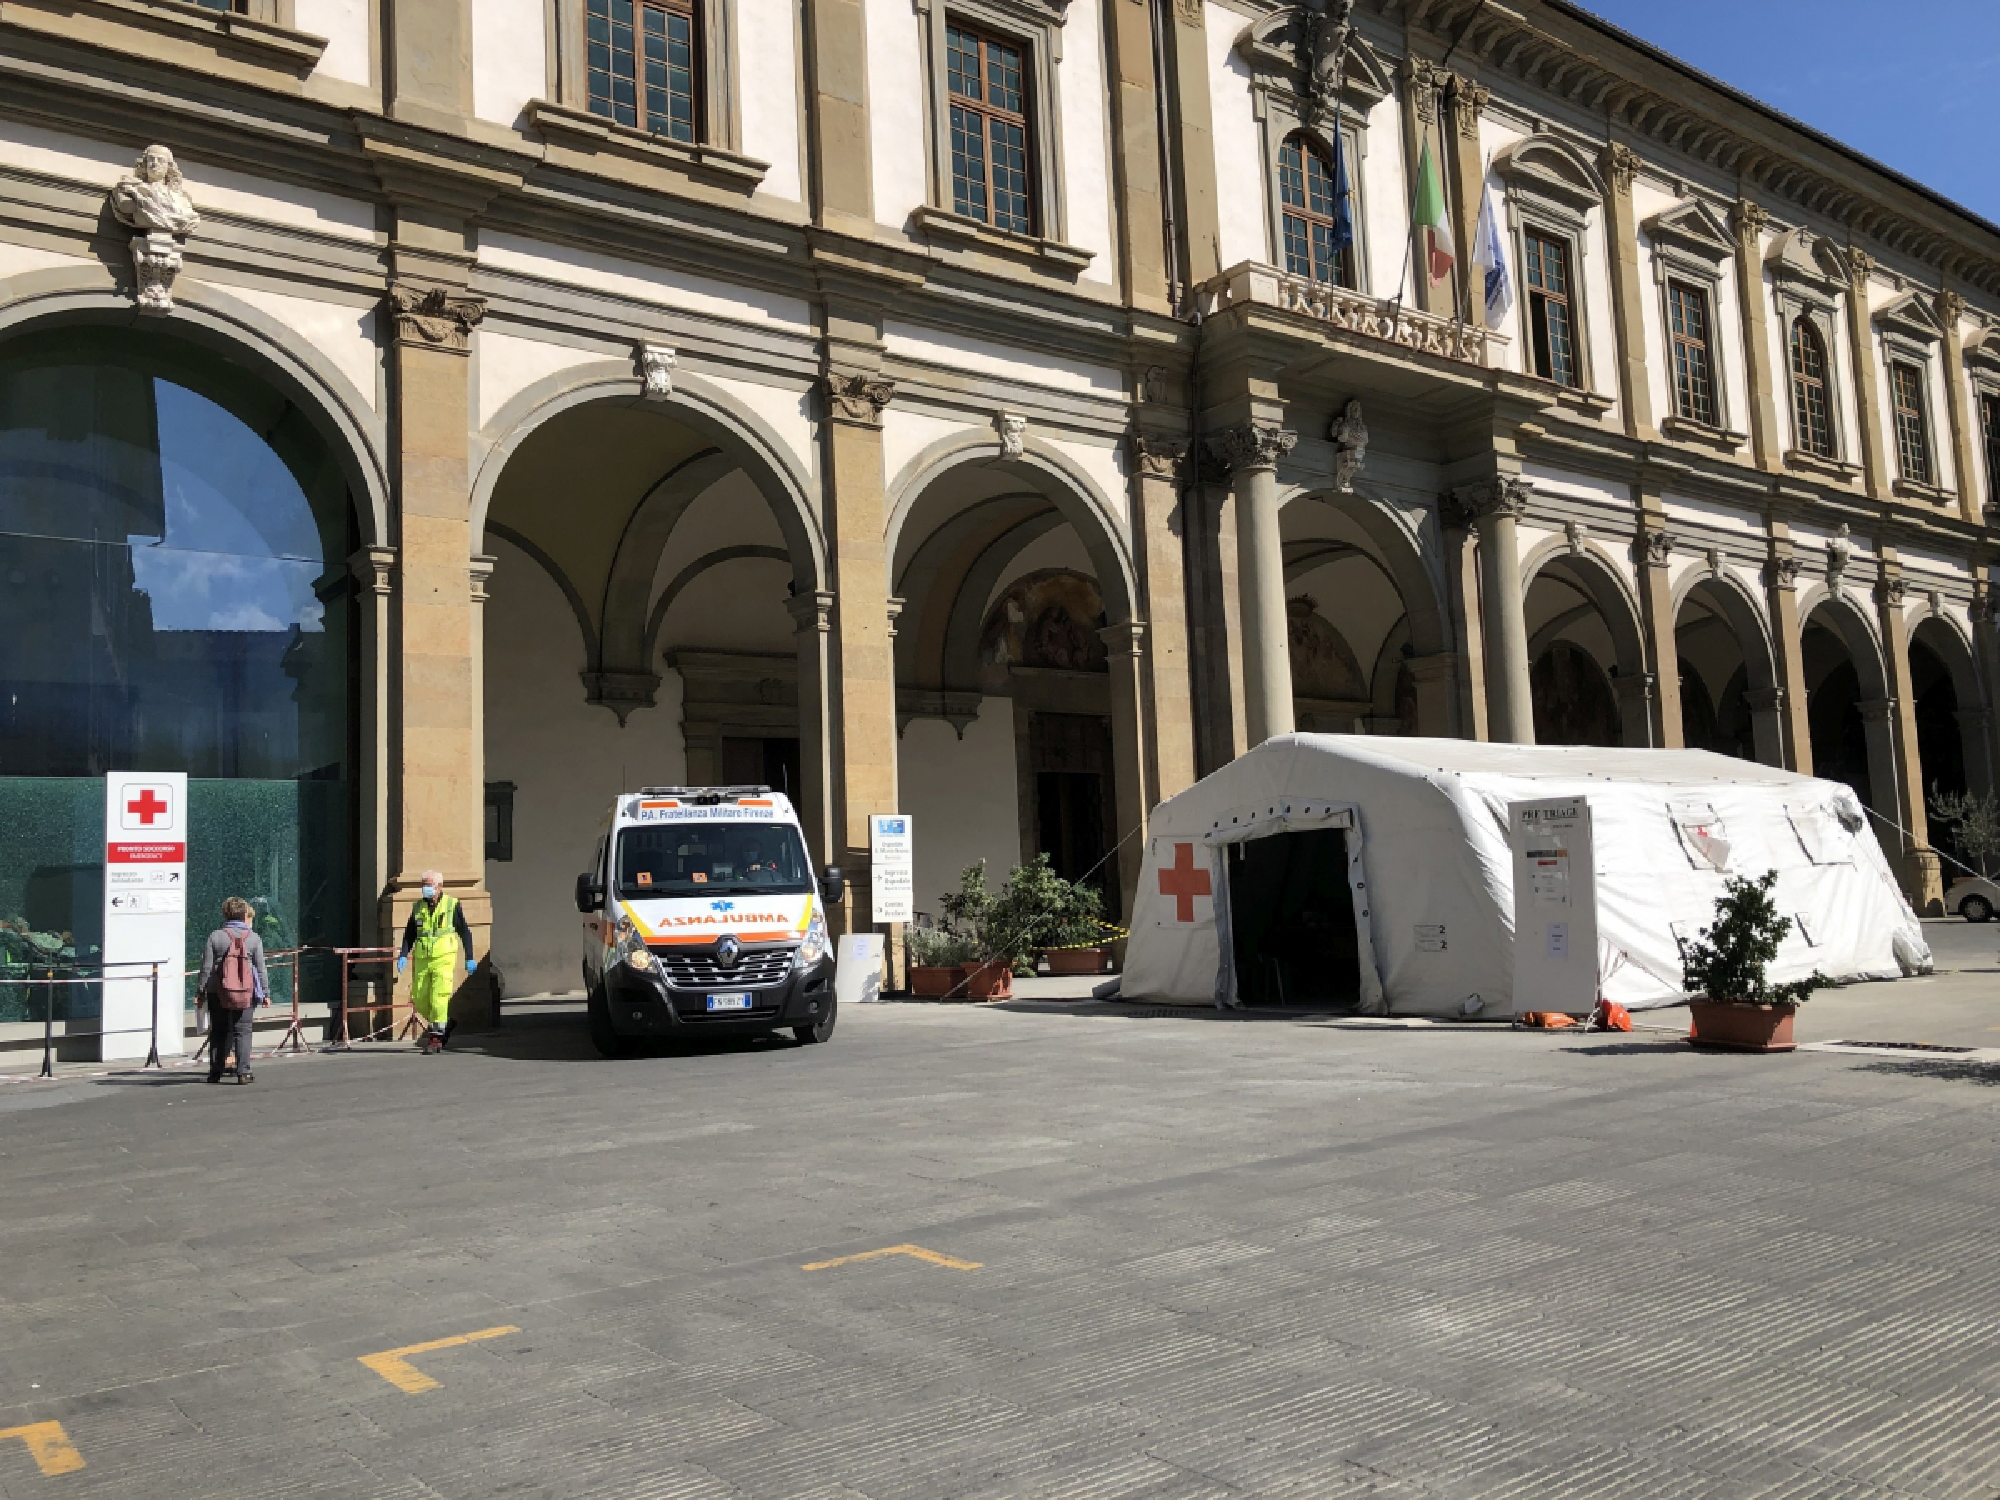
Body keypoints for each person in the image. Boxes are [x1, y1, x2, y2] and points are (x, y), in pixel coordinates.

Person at [398, 871, 477, 1055]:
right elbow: (410, 933)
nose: (425, 888)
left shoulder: (451, 905)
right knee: (419, 997)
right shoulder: (418, 907)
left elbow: (465, 932)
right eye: (423, 884)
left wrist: (470, 957)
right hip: (423, 958)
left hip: (444, 958)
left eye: (428, 884)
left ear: (439, 886)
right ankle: (445, 1023)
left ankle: (436, 1037)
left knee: (438, 997)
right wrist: (403, 954)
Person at [197, 897, 268, 1084]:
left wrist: (201, 992)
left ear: (225, 915)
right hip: (245, 991)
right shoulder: (253, 938)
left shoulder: (215, 936)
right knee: (243, 1030)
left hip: (217, 991)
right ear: (245, 915)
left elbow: (206, 968)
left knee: (219, 1031)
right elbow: (261, 969)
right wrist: (266, 994)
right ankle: (243, 1072)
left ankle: (215, 1072)